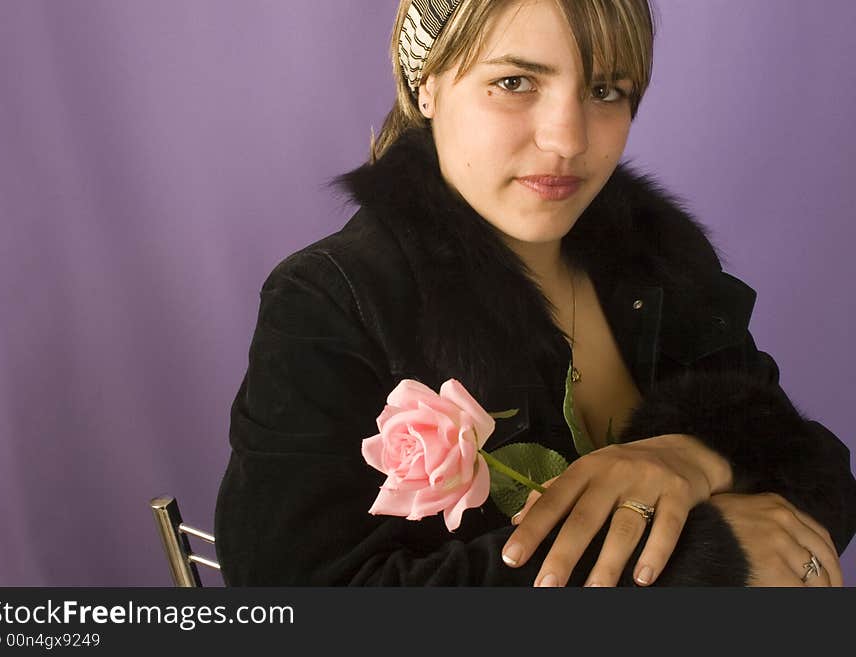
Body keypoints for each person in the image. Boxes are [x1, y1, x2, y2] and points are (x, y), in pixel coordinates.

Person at [214, 0, 856, 586]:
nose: (568, 140)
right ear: (427, 83)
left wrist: (693, 457)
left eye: (605, 90)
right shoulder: (334, 301)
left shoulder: (658, 257)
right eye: (515, 83)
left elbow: (819, 476)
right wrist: (692, 556)